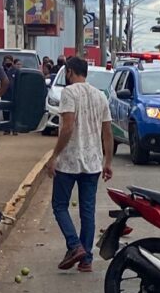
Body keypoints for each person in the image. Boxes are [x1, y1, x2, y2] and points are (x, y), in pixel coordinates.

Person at [44, 56, 113, 273]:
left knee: (59, 205)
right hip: (93, 163)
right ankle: (86, 259)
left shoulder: (69, 92)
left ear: (70, 72)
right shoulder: (100, 95)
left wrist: (54, 155)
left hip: (69, 161)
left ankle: (75, 246)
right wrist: (108, 162)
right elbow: (107, 132)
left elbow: (67, 127)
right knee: (87, 211)